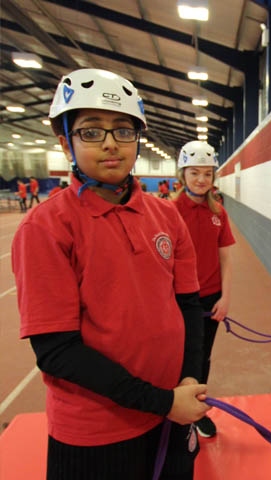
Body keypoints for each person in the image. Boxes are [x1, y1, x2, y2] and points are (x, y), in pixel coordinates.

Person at [11, 68, 210, 480]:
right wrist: (162, 401)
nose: (109, 144)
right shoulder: (47, 228)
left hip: (171, 412)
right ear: (65, 141)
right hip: (96, 433)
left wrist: (189, 379)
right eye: (90, 131)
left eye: (123, 130)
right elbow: (57, 350)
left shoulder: (166, 216)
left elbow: (189, 305)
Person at [173, 140, 235, 438]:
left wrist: (225, 297)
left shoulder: (219, 213)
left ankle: (196, 411)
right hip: (176, 299)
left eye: (207, 174)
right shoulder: (168, 211)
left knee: (202, 357)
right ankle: (173, 410)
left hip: (209, 298)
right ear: (182, 175)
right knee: (175, 357)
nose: (201, 179)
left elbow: (225, 257)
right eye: (194, 173)